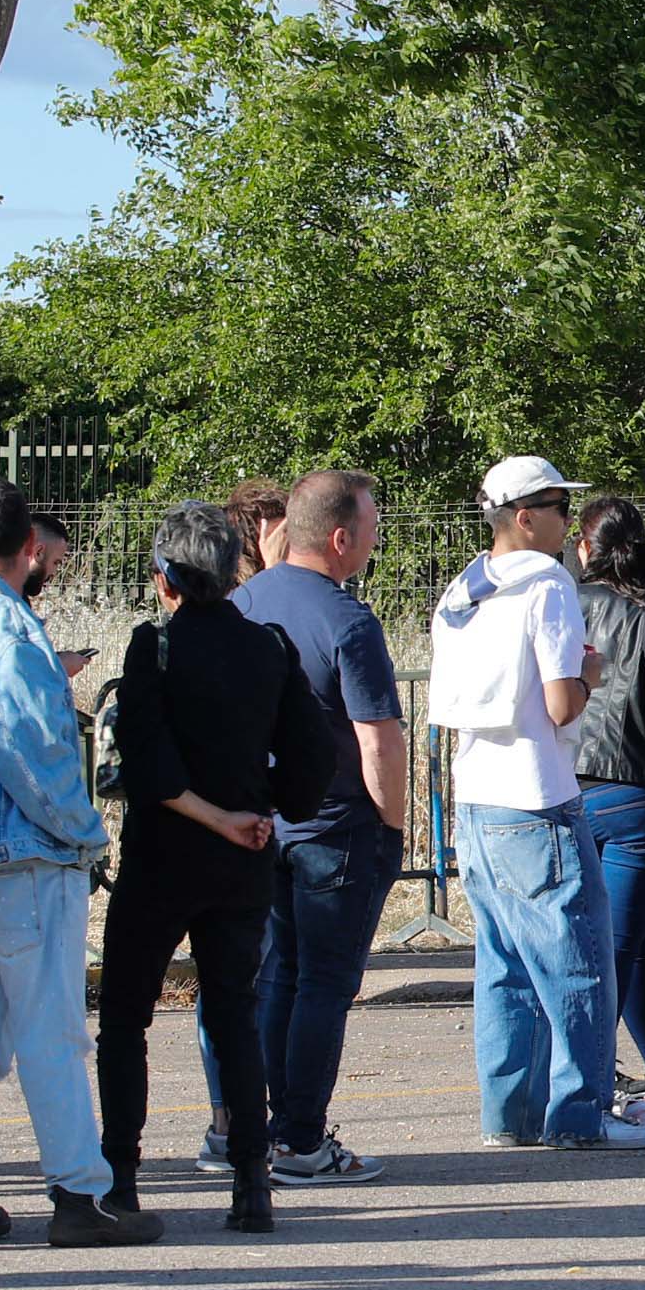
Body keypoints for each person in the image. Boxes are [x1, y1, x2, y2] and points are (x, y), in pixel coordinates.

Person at [0, 477, 159, 1245]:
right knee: (52, 1032)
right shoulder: (10, 629)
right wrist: (85, 833)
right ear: (29, 548)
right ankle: (82, 1196)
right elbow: (36, 753)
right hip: (23, 859)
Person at [100, 501, 338, 1228]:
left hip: (162, 858)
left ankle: (122, 1177)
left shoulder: (155, 647)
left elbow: (149, 765)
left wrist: (214, 816)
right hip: (245, 858)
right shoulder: (267, 646)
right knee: (235, 1012)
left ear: (165, 577)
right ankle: (250, 1183)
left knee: (124, 1020)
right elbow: (313, 755)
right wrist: (261, 811)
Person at [425, 456, 645, 1152]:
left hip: (478, 794)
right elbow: (559, 704)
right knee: (577, 959)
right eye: (556, 507)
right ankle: (581, 1116)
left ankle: (510, 1116)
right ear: (525, 515)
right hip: (539, 796)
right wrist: (587, 675)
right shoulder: (549, 582)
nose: (565, 522)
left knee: (504, 964)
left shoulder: (465, 586)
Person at [239, 470, 404, 1188]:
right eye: (370, 528)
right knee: (324, 985)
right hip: (337, 827)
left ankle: (268, 1128)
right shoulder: (348, 620)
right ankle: (302, 1138)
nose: (374, 540)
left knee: (280, 976)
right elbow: (379, 738)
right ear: (340, 538)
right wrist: (393, 829)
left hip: (262, 824)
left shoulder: (244, 602)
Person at [567, 496, 645, 1088]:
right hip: (641, 788)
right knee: (624, 943)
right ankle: (596, 1079)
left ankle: (634, 1068)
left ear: (585, 547)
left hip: (570, 785)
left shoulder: (564, 605)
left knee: (603, 945)